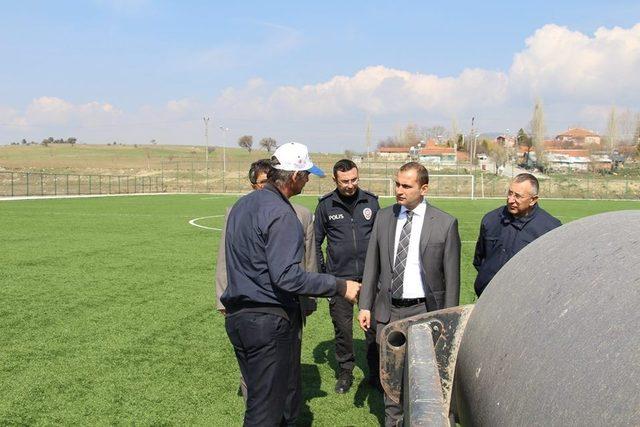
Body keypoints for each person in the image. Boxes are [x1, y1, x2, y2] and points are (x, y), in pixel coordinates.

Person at [221, 142, 361, 426]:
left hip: (239, 320)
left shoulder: (241, 206)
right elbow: (287, 276)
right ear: (294, 175)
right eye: (307, 174)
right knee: (266, 412)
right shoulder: (282, 213)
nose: (309, 180)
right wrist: (339, 286)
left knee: (262, 400)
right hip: (268, 323)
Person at [357, 161, 461, 427]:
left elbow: (452, 280)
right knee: (391, 380)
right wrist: (365, 305)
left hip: (424, 311)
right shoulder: (383, 217)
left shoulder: (445, 224)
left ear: (423, 188)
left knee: (425, 378)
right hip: (388, 311)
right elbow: (372, 266)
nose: (399, 190)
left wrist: (447, 320)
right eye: (397, 184)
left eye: (406, 185)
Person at [215, 159, 317, 413]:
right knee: (260, 389)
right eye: (261, 183)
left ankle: (287, 416)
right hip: (260, 311)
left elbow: (309, 260)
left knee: (289, 369)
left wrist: (309, 299)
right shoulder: (239, 210)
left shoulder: (300, 214)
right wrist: (337, 285)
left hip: (289, 308)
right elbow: (225, 259)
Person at [314, 159, 380, 393]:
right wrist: (325, 276)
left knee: (373, 329)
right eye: (345, 181)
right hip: (339, 281)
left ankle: (376, 373)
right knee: (342, 329)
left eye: (354, 180)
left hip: (369, 280)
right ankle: (345, 372)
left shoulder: (371, 202)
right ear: (335, 180)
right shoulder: (325, 206)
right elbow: (315, 242)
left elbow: (381, 240)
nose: (350, 185)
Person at [473, 173, 561, 296]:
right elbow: (479, 260)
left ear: (533, 200)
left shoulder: (550, 228)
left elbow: (551, 272)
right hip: (487, 296)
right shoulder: (491, 220)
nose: (510, 200)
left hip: (524, 299)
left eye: (518, 196)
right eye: (510, 193)